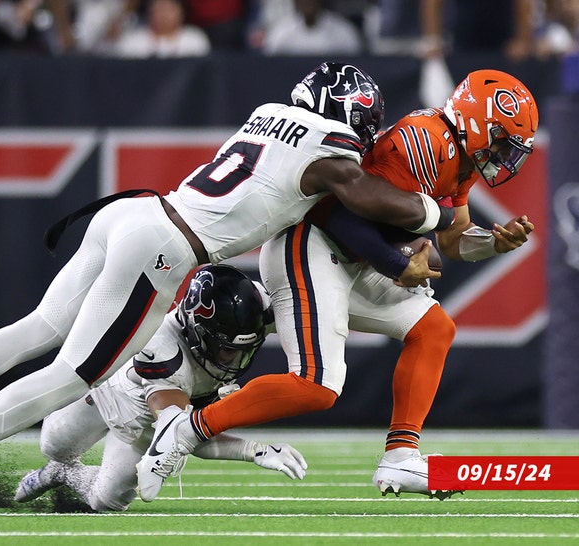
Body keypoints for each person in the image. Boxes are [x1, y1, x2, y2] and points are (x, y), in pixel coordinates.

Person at [0, 60, 453, 515]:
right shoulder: (328, 146)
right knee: (75, 373)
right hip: (168, 247)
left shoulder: (272, 112)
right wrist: (440, 215)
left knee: (38, 329)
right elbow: (368, 197)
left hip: (138, 211)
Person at [136, 68, 539, 502]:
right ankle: (185, 429)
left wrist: (494, 244)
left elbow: (452, 240)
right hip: (311, 242)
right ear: (478, 123)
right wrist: (394, 264)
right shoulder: (426, 143)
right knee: (316, 385)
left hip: (351, 257)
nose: (503, 155)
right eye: (501, 141)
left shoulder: (459, 156)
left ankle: (401, 455)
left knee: (434, 328)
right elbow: (338, 211)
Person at [14, 264, 307, 512]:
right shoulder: (164, 352)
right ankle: (59, 463)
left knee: (106, 500)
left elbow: (316, 308)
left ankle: (61, 474)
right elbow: (184, 434)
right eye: (226, 349)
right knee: (53, 444)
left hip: (147, 428)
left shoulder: (256, 310)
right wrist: (251, 450)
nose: (235, 359)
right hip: (111, 393)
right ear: (198, 331)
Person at [112, 0, 211, 58]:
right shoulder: (133, 42)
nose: (164, 14)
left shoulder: (195, 40)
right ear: (150, 12)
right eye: (159, 8)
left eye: (169, 9)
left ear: (181, 12)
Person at [261, 0, 363, 56]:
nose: (308, 4)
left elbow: (356, 59)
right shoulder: (281, 31)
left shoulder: (342, 30)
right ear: (296, 2)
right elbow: (268, 61)